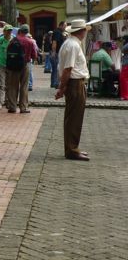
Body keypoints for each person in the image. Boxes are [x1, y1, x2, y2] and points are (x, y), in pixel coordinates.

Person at [55, 19, 90, 161]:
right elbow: (68, 69)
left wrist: (62, 87)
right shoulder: (73, 45)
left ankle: (72, 147)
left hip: (74, 82)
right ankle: (72, 149)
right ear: (82, 31)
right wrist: (62, 87)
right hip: (75, 83)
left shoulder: (70, 43)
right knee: (74, 118)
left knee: (73, 117)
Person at [6, 24, 37, 113]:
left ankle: (12, 107)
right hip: (25, 65)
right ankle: (23, 108)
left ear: (19, 31)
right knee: (24, 87)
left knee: (13, 86)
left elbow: (7, 52)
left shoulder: (13, 40)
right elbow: (34, 55)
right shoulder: (30, 42)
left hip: (14, 66)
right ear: (27, 32)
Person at [0, 24, 13, 110]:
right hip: (1, 64)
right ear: (4, 32)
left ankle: (8, 102)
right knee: (1, 84)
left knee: (9, 84)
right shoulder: (0, 40)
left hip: (10, 65)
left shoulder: (13, 40)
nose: (9, 32)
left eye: (10, 31)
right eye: (7, 31)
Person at [50, 21, 66, 88]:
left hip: (57, 52)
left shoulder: (58, 32)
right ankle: (55, 83)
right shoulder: (57, 32)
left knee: (55, 68)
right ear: (61, 25)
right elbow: (54, 42)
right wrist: (54, 52)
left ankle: (53, 83)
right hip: (57, 52)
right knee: (56, 68)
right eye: (65, 26)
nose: (65, 27)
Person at [121, 35, 128, 101]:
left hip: (126, 64)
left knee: (124, 79)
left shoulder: (126, 45)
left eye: (123, 39)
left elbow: (122, 50)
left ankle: (125, 96)